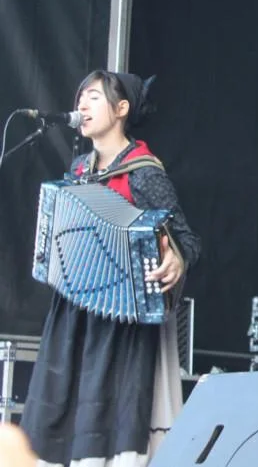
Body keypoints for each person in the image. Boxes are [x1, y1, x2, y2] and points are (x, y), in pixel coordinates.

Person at [20, 70, 201, 466]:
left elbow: (187, 239)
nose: (81, 105)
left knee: (108, 423)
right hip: (74, 314)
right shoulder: (79, 169)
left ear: (121, 109)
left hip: (122, 324)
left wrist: (177, 258)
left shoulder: (145, 172)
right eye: (80, 97)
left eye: (93, 97)